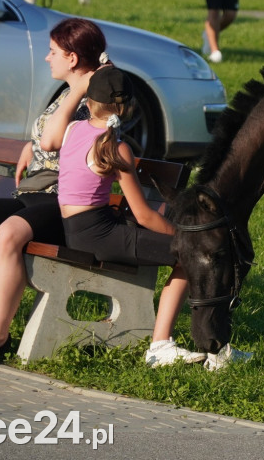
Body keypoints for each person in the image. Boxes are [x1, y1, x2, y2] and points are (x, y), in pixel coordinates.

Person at [0, 18, 106, 371]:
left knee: (10, 231)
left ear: (73, 58)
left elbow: (54, 141)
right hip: (31, 192)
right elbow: (44, 140)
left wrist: (79, 91)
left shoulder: (101, 96)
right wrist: (30, 146)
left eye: (53, 51)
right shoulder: (66, 90)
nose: (47, 58)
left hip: (66, 204)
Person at [54, 67, 249, 368]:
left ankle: (212, 346)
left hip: (78, 230)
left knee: (187, 250)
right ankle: (161, 346)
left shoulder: (73, 130)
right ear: (130, 108)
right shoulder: (116, 148)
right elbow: (144, 215)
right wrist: (186, 239)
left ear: (88, 104)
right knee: (190, 257)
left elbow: (51, 141)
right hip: (100, 235)